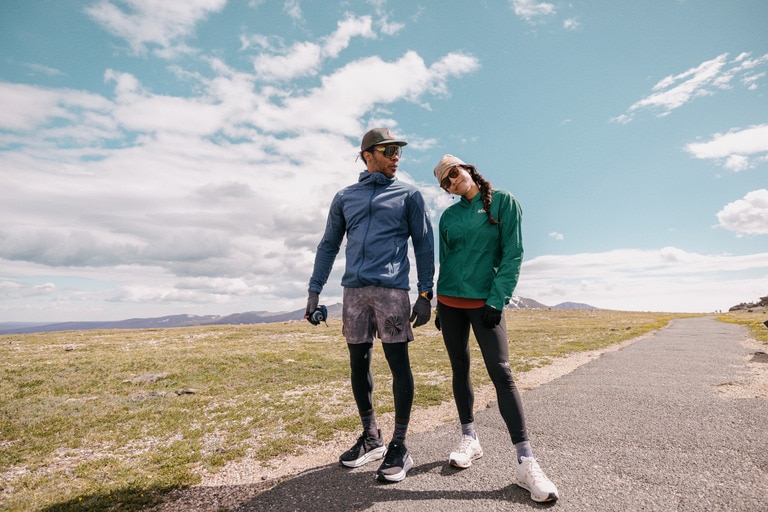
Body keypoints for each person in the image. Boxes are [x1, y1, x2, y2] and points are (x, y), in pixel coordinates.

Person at [306, 128, 435, 483]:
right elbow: (328, 245)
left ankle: (400, 445)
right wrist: (314, 291)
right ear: (368, 154)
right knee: (357, 363)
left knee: (398, 364)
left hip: (392, 292)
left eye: (399, 151)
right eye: (389, 150)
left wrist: (426, 294)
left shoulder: (409, 195)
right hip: (354, 294)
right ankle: (372, 437)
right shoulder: (345, 197)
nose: (397, 156)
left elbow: (424, 245)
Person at [432, 154, 559, 503]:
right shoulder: (449, 216)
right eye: (445, 182)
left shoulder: (504, 202)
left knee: (501, 372)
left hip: (485, 302)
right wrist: (438, 305)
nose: (452, 183)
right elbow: (447, 259)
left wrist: (497, 299)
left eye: (454, 174)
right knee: (460, 369)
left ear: (468, 170)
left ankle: (526, 462)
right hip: (449, 302)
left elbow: (513, 253)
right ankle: (470, 439)